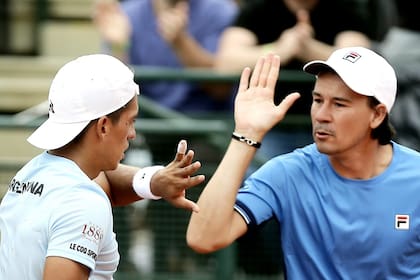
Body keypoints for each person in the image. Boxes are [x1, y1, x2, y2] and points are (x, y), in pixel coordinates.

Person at [187, 47, 420, 279]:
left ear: (377, 115)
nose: (321, 115)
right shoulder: (288, 173)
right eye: (318, 100)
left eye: (339, 104)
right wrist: (245, 135)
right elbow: (204, 238)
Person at [0, 53, 205, 279]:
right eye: (130, 121)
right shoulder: (83, 201)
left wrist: (154, 182)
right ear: (104, 126)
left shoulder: (31, 172)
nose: (132, 134)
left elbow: (104, 181)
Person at [93, 0, 238, 113]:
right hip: (142, 126)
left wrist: (181, 42)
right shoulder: (127, 14)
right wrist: (119, 48)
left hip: (204, 126)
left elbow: (221, 88)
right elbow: (113, 96)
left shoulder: (219, 11)